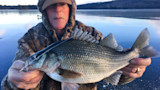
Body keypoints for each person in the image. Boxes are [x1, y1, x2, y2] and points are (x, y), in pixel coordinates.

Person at [1, 0, 151, 90]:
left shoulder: (92, 34)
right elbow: (16, 76)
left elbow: (114, 76)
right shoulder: (29, 40)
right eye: (52, 5)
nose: (58, 10)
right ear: (44, 10)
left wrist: (130, 70)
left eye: (63, 4)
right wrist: (13, 83)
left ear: (71, 8)